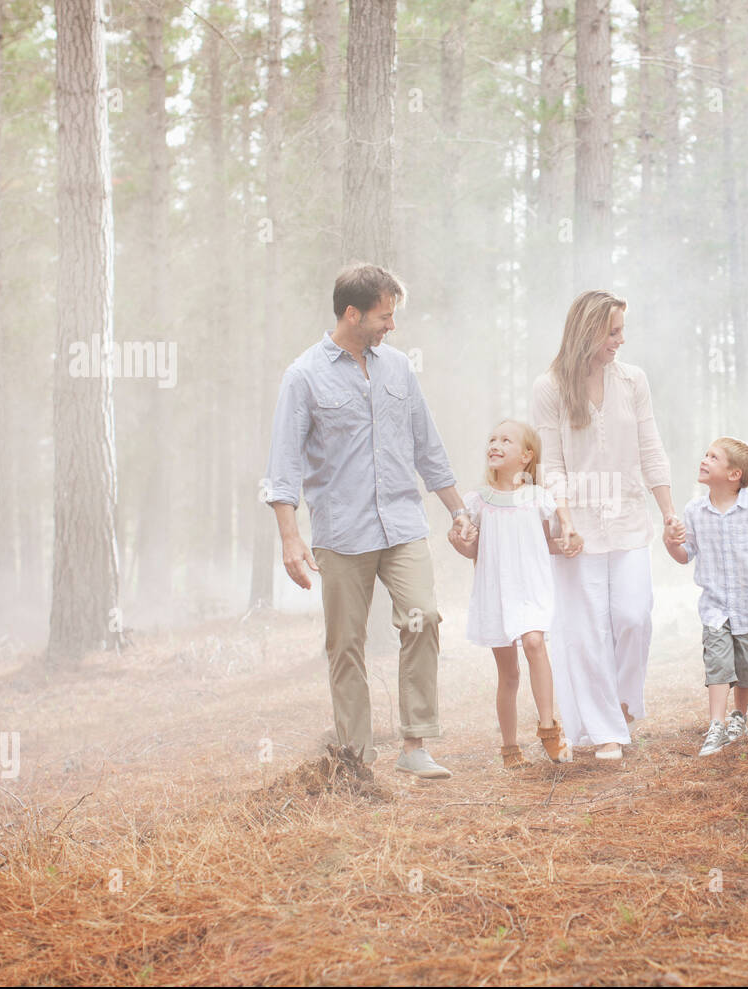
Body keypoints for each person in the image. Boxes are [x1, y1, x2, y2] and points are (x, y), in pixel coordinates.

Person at [263, 263, 475, 782]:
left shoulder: (398, 368)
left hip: (402, 524)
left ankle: (415, 743)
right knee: (346, 644)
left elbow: (428, 445)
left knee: (423, 617)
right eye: (385, 316)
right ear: (352, 313)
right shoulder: (304, 376)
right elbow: (283, 466)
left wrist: (458, 509)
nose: (392, 327)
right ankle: (354, 757)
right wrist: (291, 538)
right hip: (342, 534)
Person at [531, 290, 682, 761]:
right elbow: (550, 466)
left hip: (630, 519)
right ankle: (605, 731)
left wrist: (669, 511)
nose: (621, 340)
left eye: (621, 330)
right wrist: (565, 520)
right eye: (612, 331)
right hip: (576, 529)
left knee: (633, 617)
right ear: (588, 332)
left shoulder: (633, 381)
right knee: (584, 629)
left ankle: (620, 703)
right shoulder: (550, 388)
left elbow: (651, 449)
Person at [448, 419, 578, 768]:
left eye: (506, 440)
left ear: (525, 456)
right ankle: (509, 747)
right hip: (496, 593)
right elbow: (471, 549)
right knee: (509, 675)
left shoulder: (538, 498)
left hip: (530, 588)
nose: (495, 444)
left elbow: (547, 542)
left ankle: (549, 729)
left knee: (535, 642)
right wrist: (458, 540)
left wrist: (566, 544)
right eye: (492, 438)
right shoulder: (477, 501)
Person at [663, 438, 748, 757]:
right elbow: (686, 555)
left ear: (733, 474)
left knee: (747, 666)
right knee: (718, 663)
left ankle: (739, 716)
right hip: (715, 607)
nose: (704, 459)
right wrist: (670, 542)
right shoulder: (694, 511)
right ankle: (716, 725)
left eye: (714, 457)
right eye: (705, 454)